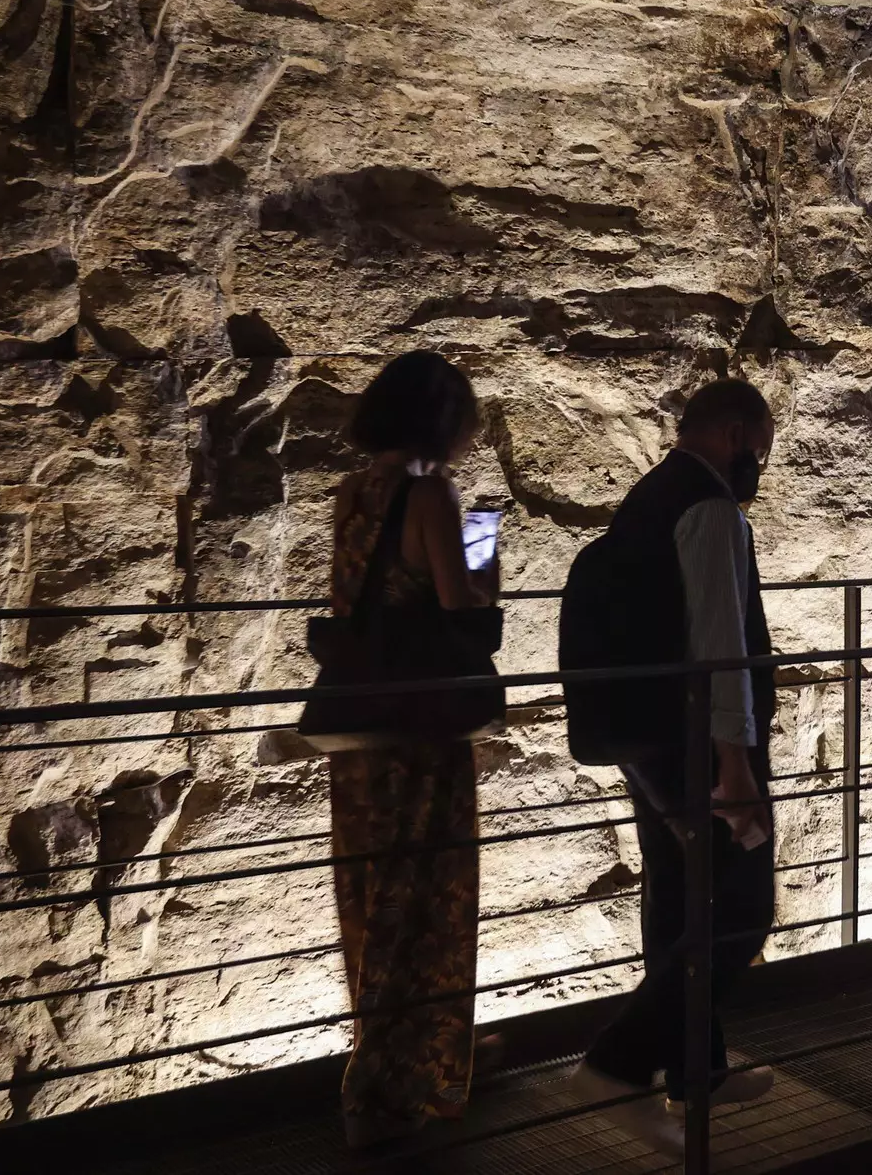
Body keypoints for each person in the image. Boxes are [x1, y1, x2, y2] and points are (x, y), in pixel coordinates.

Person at [572, 379, 779, 1155]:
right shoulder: (712, 510)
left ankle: (700, 1069)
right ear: (731, 435)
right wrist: (736, 766)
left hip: (648, 740)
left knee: (678, 901)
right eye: (759, 449)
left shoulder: (647, 498)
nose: (758, 465)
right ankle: (616, 1066)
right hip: (701, 748)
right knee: (742, 909)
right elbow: (722, 647)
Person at [325, 350, 501, 1149]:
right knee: (432, 896)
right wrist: (485, 559)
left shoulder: (355, 489)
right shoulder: (430, 491)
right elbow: (456, 604)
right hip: (421, 734)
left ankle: (383, 1064)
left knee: (373, 896)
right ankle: (417, 1083)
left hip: (363, 732)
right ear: (440, 418)